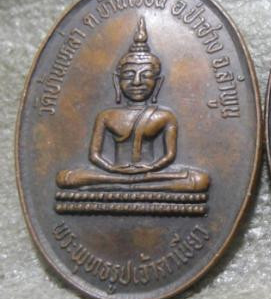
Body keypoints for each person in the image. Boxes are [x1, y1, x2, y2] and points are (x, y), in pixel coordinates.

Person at [56, 17, 209, 192]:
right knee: (66, 177)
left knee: (199, 180)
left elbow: (169, 156)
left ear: (158, 83)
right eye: (129, 75)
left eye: (145, 76)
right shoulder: (106, 116)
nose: (136, 82)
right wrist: (113, 168)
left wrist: (150, 168)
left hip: (151, 174)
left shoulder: (165, 117)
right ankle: (131, 186)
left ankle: (121, 187)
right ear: (117, 81)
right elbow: (94, 156)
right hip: (113, 173)